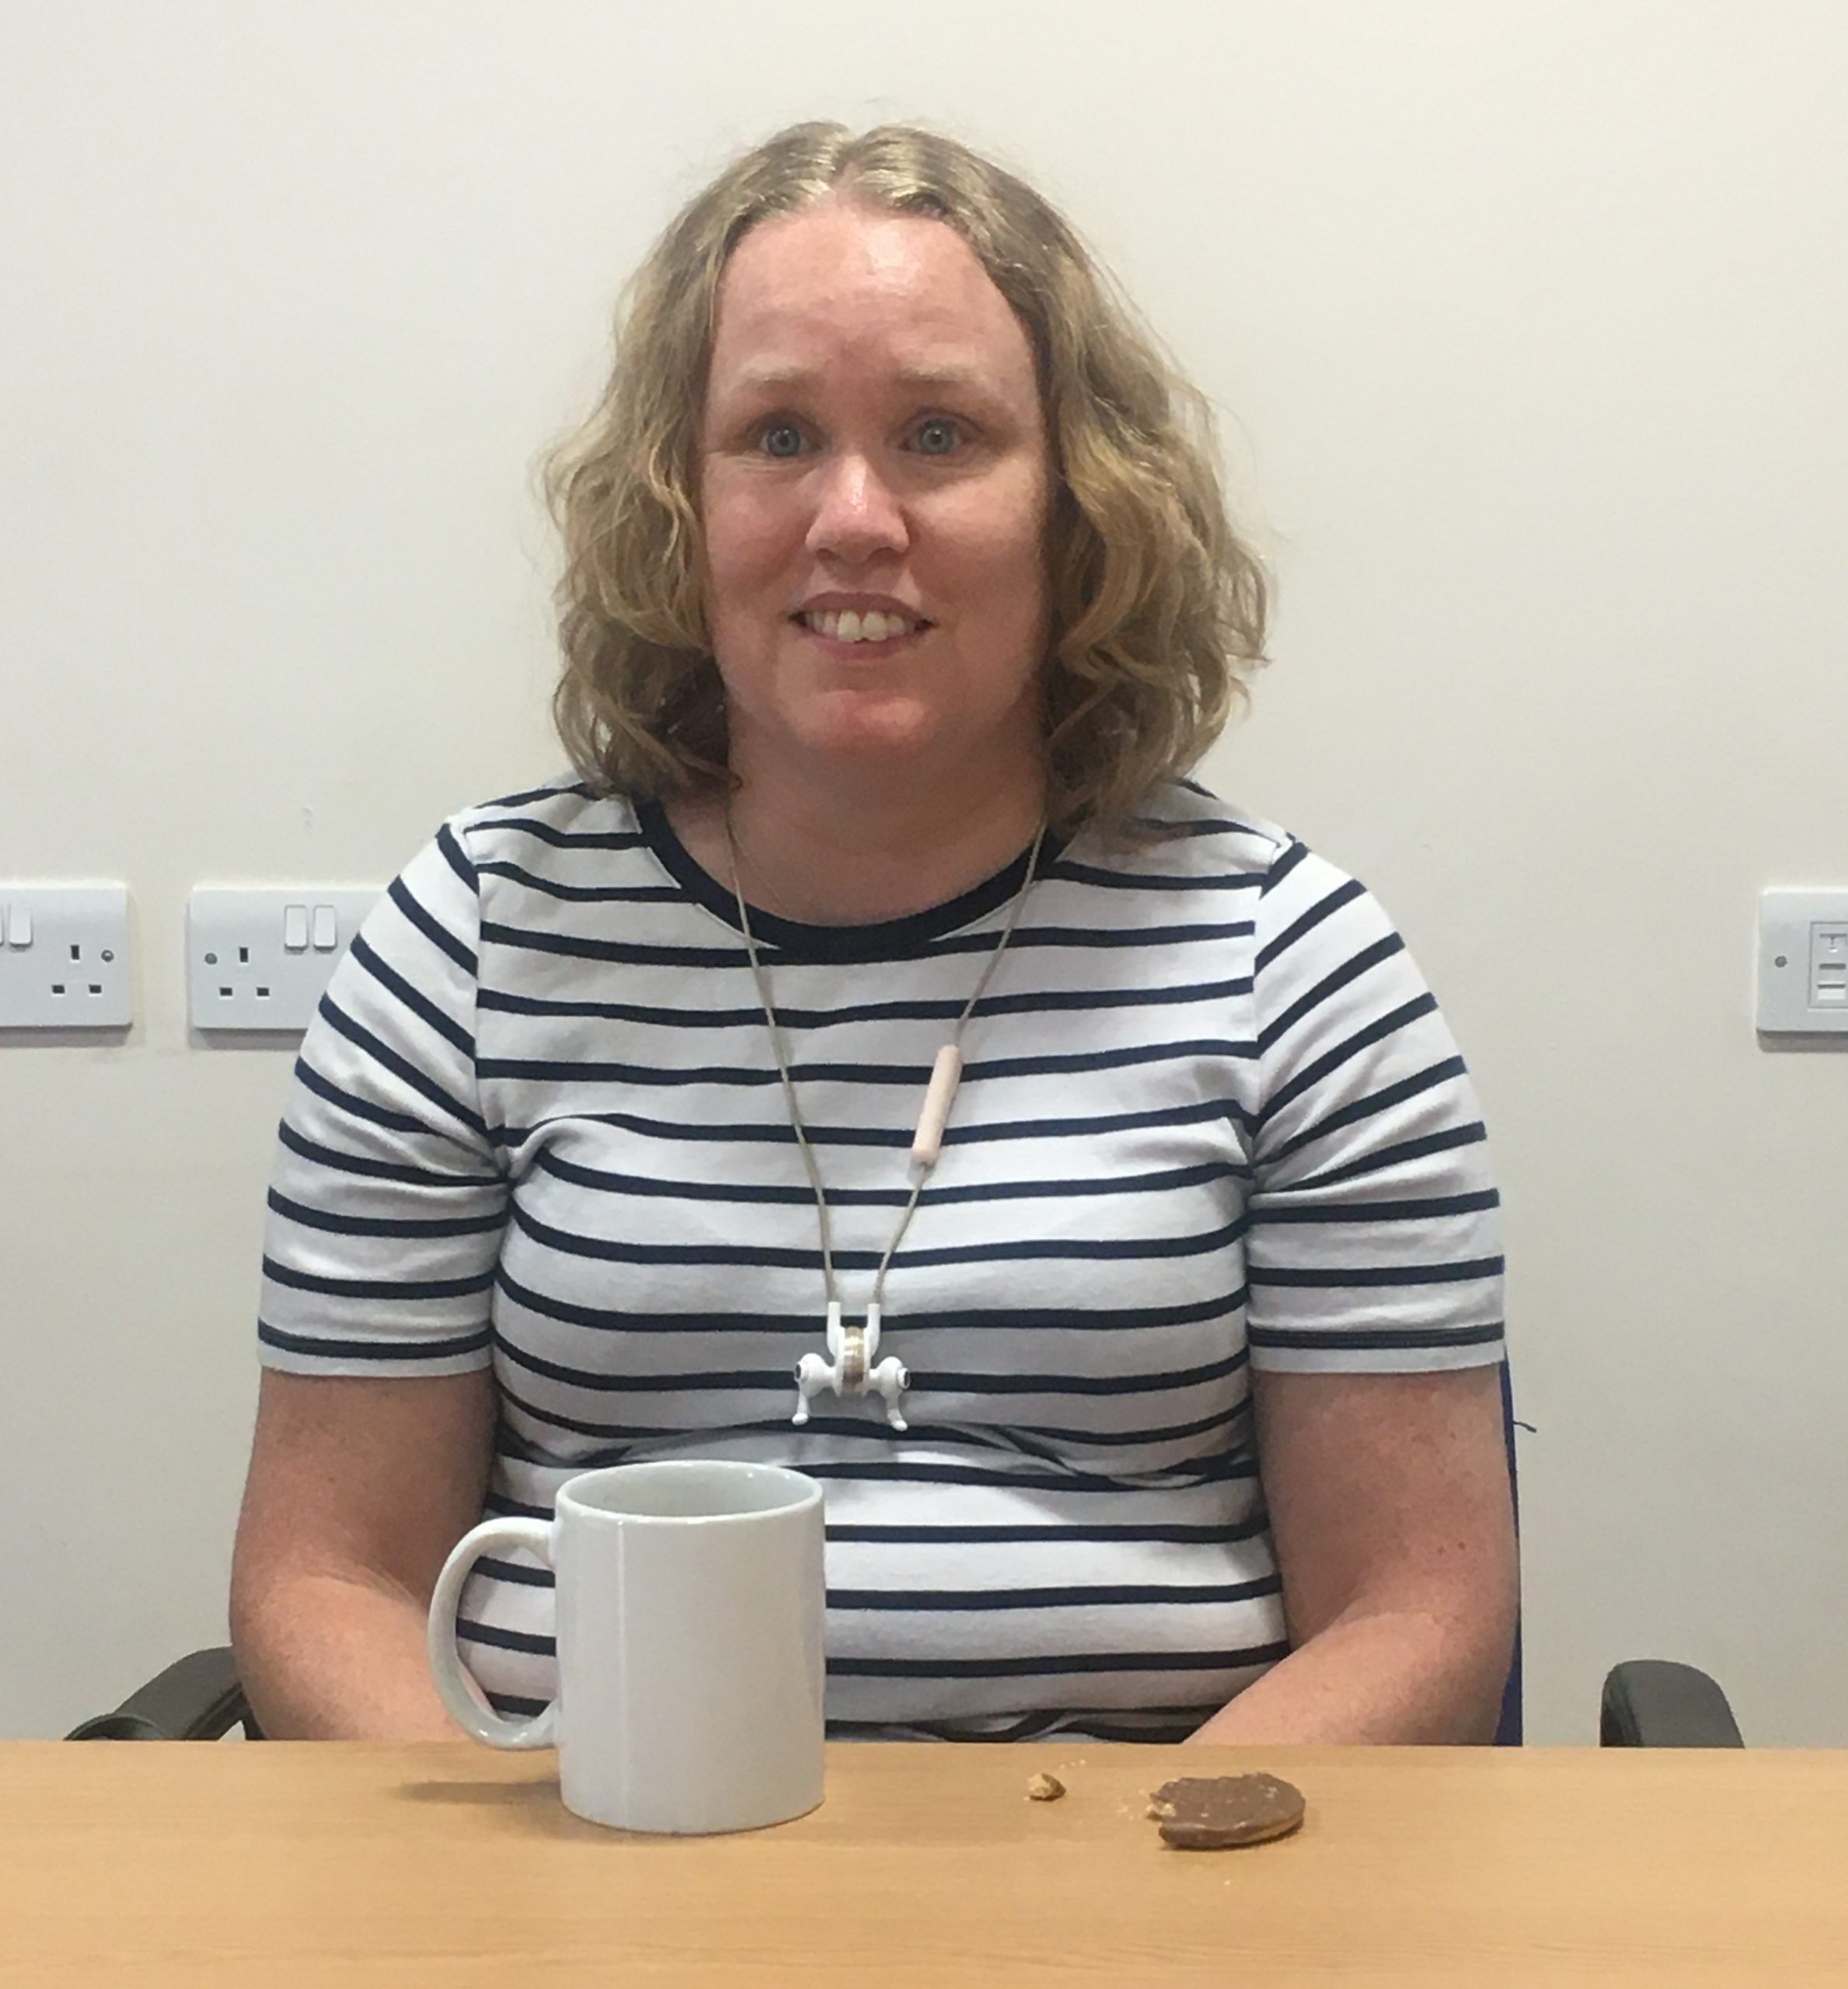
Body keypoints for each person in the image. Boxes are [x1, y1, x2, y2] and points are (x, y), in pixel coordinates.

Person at [229, 119, 1518, 1746]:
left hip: (1146, 1898)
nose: (852, 517)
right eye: (774, 434)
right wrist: (529, 1898)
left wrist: (1135, 1907)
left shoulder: (1293, 968)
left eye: (935, 431)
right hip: (584, 1887)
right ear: (674, 503)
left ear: (1074, 504)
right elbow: (323, 1578)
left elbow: (1419, 1607)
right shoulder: (471, 943)